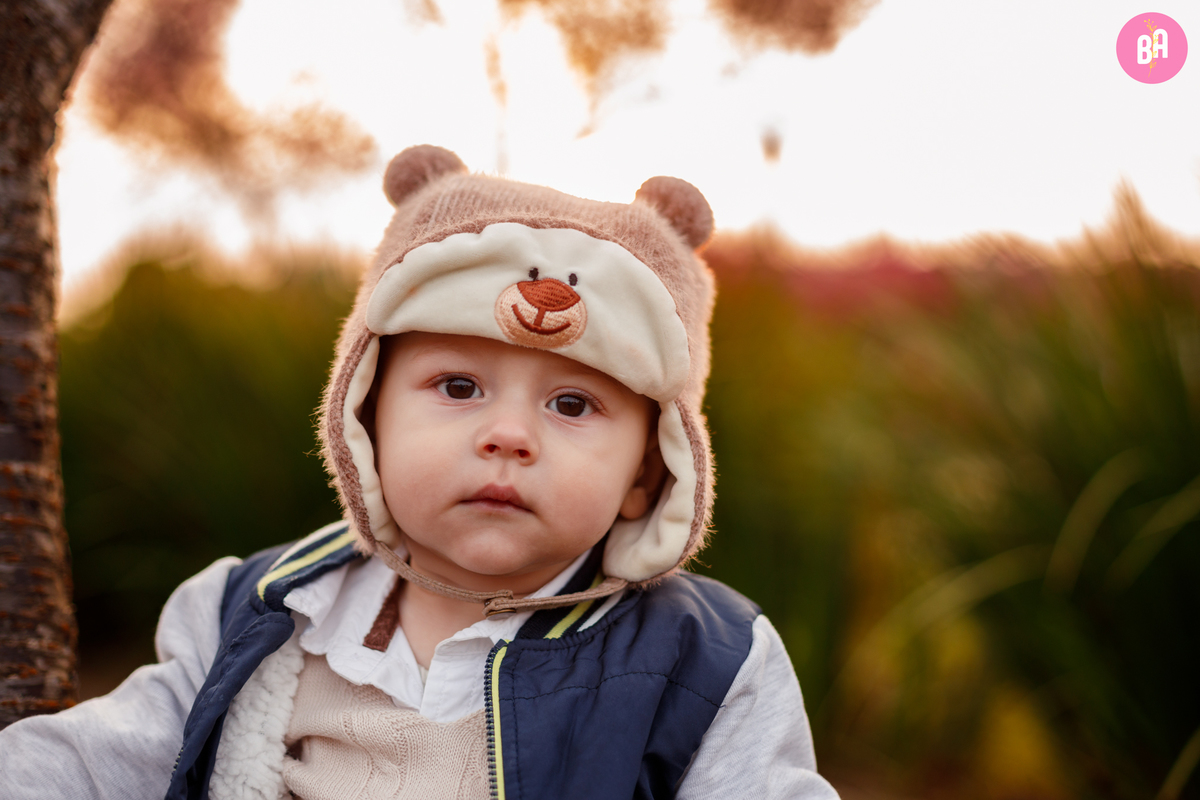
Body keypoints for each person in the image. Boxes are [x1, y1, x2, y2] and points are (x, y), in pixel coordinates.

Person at [0, 146, 841, 799]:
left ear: (648, 473)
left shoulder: (704, 663)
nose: (508, 435)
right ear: (365, 415)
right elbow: (90, 764)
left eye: (574, 405)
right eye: (459, 387)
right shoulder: (258, 614)